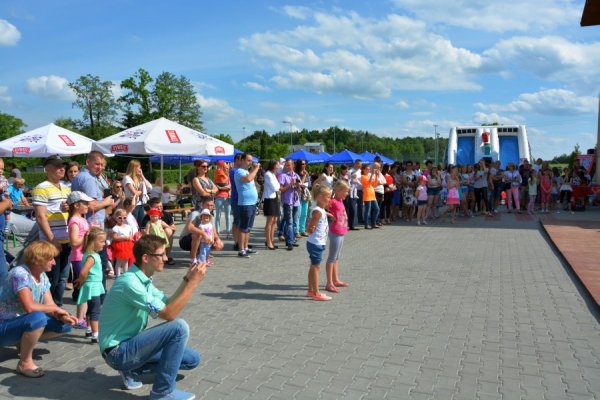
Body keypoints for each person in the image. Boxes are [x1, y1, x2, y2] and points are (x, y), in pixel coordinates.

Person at [98, 235, 204, 399]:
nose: (166, 258)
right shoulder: (130, 283)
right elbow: (169, 314)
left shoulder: (143, 279)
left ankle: (132, 370)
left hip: (130, 344)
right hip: (117, 352)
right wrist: (193, 283)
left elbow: (167, 303)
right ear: (146, 258)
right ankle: (162, 392)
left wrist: (187, 279)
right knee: (178, 327)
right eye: (161, 255)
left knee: (192, 359)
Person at [0, 241, 77, 378]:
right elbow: (29, 307)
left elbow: (49, 305)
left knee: (65, 325)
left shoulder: (42, 276)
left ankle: (23, 343)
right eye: (51, 259)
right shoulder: (20, 273)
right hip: (4, 325)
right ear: (39, 260)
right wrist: (55, 309)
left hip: (20, 322)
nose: (54, 262)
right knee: (37, 318)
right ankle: (24, 363)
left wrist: (62, 316)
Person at [32, 155, 71, 306]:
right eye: (57, 166)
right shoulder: (41, 188)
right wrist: (52, 239)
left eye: (63, 166)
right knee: (52, 279)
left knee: (62, 278)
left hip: (67, 239)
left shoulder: (66, 188)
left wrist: (68, 208)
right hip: (51, 241)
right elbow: (40, 216)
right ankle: (48, 308)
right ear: (47, 169)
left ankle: (57, 308)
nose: (62, 169)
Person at [74, 227, 106, 343]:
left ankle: (89, 329)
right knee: (95, 311)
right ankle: (95, 334)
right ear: (93, 242)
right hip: (93, 286)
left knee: (90, 309)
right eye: (101, 241)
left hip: (91, 286)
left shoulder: (88, 254)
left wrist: (80, 280)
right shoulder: (92, 256)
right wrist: (80, 280)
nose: (104, 244)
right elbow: (83, 272)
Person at [67, 191, 93, 329]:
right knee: (83, 288)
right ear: (76, 205)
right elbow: (74, 241)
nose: (88, 206)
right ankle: (80, 318)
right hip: (78, 258)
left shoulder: (82, 219)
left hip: (84, 256)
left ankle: (81, 318)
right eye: (85, 203)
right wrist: (88, 236)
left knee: (85, 288)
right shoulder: (74, 221)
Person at [306, 185, 333, 301]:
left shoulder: (320, 210)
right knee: (316, 267)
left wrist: (327, 214)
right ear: (320, 197)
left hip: (317, 242)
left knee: (313, 266)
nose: (330, 199)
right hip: (316, 243)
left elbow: (320, 214)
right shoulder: (317, 211)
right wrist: (310, 228)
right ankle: (316, 292)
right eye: (328, 197)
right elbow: (310, 227)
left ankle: (311, 290)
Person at [234, 153, 260, 258]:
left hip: (252, 203)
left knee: (248, 228)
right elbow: (248, 179)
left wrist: (254, 169)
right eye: (248, 160)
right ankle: (241, 249)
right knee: (243, 227)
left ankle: (245, 247)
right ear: (242, 160)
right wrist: (256, 168)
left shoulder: (247, 171)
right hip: (245, 203)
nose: (250, 163)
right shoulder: (239, 171)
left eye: (251, 160)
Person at [325, 180, 349, 293]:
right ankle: (329, 283)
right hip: (335, 231)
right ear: (338, 191)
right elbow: (319, 208)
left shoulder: (340, 200)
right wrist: (329, 214)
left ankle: (335, 279)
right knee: (332, 257)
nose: (347, 194)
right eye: (345, 191)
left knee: (336, 257)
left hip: (341, 231)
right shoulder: (333, 201)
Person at [140, 198, 177, 265]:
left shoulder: (166, 215)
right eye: (157, 207)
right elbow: (143, 232)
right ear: (151, 208)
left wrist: (162, 230)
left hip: (163, 235)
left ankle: (167, 256)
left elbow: (173, 228)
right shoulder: (147, 218)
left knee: (168, 231)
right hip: (152, 236)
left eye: (161, 206)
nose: (160, 208)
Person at [278, 159, 301, 251]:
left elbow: (299, 190)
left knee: (294, 221)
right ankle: (290, 242)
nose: (287, 167)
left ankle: (291, 239)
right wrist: (290, 184)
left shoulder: (296, 175)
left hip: (296, 201)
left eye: (289, 165)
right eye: (286, 165)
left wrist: (298, 185)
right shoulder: (283, 176)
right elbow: (281, 189)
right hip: (288, 201)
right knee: (289, 223)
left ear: (293, 165)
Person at [123, 159, 152, 226]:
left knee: (141, 224)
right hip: (131, 205)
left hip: (140, 204)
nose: (140, 169)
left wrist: (142, 176)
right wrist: (142, 191)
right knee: (133, 225)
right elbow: (135, 193)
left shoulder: (138, 178)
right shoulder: (127, 178)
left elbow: (150, 187)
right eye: (139, 167)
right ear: (134, 168)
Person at [262, 160, 280, 250]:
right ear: (273, 165)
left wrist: (278, 186)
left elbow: (278, 185)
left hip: (274, 197)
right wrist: (278, 187)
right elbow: (275, 187)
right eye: (277, 164)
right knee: (270, 221)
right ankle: (268, 241)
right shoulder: (268, 174)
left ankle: (271, 239)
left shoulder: (273, 174)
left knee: (274, 220)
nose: (279, 165)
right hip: (269, 198)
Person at [111, 209, 135, 276]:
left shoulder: (128, 227)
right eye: (120, 218)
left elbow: (130, 235)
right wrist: (124, 238)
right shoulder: (116, 228)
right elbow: (114, 237)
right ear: (116, 218)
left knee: (126, 261)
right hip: (120, 246)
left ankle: (125, 274)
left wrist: (129, 238)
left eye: (124, 218)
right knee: (119, 261)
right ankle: (118, 276)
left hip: (127, 245)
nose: (122, 219)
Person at [213, 161, 231, 238]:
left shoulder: (228, 176)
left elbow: (229, 187)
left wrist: (221, 188)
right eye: (225, 167)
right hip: (220, 197)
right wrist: (224, 188)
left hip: (226, 197)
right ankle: (218, 232)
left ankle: (228, 232)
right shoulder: (217, 173)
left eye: (227, 168)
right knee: (218, 215)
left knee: (227, 216)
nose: (227, 169)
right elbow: (216, 185)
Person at [360, 163, 380, 230]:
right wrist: (372, 174)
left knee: (377, 209)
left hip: (372, 194)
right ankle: (366, 224)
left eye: (369, 169)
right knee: (367, 211)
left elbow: (374, 183)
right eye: (367, 169)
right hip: (367, 194)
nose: (368, 170)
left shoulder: (368, 176)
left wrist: (376, 175)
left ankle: (373, 223)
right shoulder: (363, 176)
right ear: (363, 170)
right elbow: (368, 183)